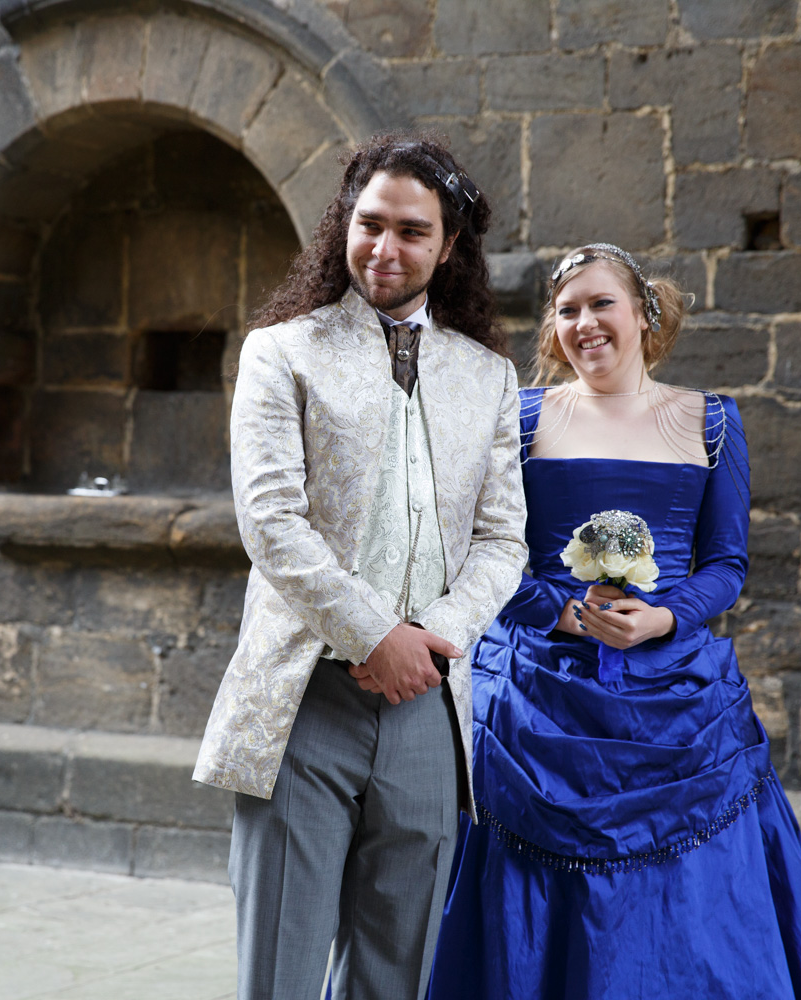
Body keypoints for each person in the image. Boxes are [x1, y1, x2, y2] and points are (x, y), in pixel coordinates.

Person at [426, 244, 801, 999]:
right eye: (567, 310)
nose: (584, 323)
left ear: (644, 313)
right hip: (539, 690)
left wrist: (664, 618)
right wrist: (563, 615)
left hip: (674, 696)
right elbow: (486, 549)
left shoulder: (711, 422)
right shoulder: (523, 416)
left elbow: (727, 565)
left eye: (601, 303)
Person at [192, 135, 528, 1000]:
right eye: (370, 224)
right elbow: (271, 522)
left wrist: (433, 639)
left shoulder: (488, 377)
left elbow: (504, 540)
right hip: (305, 697)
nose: (386, 248)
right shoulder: (282, 353)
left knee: (399, 970)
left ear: (447, 246)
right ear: (344, 224)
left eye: (412, 231)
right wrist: (375, 634)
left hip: (427, 705)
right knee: (281, 965)